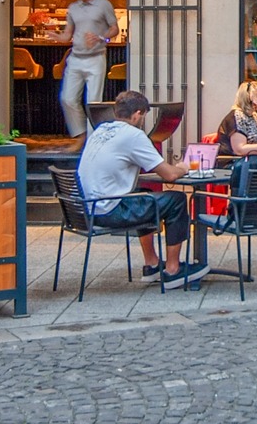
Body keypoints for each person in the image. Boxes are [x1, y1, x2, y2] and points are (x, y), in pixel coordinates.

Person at [77, 89, 204, 289]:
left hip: (86, 209)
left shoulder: (100, 131)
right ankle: (173, 270)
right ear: (137, 114)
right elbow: (169, 175)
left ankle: (152, 264)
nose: (142, 120)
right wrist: (183, 168)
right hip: (109, 211)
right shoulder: (133, 135)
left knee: (145, 195)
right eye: (143, 116)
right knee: (176, 200)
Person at [59, 0, 120, 136]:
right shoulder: (73, 8)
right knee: (67, 99)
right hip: (75, 57)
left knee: (93, 102)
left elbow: (114, 29)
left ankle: (93, 139)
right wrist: (56, 36)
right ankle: (81, 134)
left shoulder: (103, 5)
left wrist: (101, 37)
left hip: (96, 58)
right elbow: (67, 35)